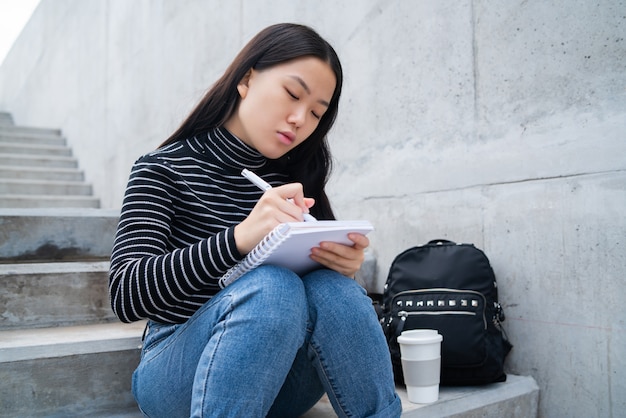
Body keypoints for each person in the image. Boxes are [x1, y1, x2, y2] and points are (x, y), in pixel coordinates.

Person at [109, 23, 401, 418]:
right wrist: (239, 238)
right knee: (272, 286)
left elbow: (328, 308)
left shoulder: (292, 181)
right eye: (292, 94)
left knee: (335, 290)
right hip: (177, 368)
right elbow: (127, 295)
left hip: (279, 377)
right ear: (246, 79)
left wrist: (344, 269)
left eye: (317, 112)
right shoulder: (162, 169)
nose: (300, 118)